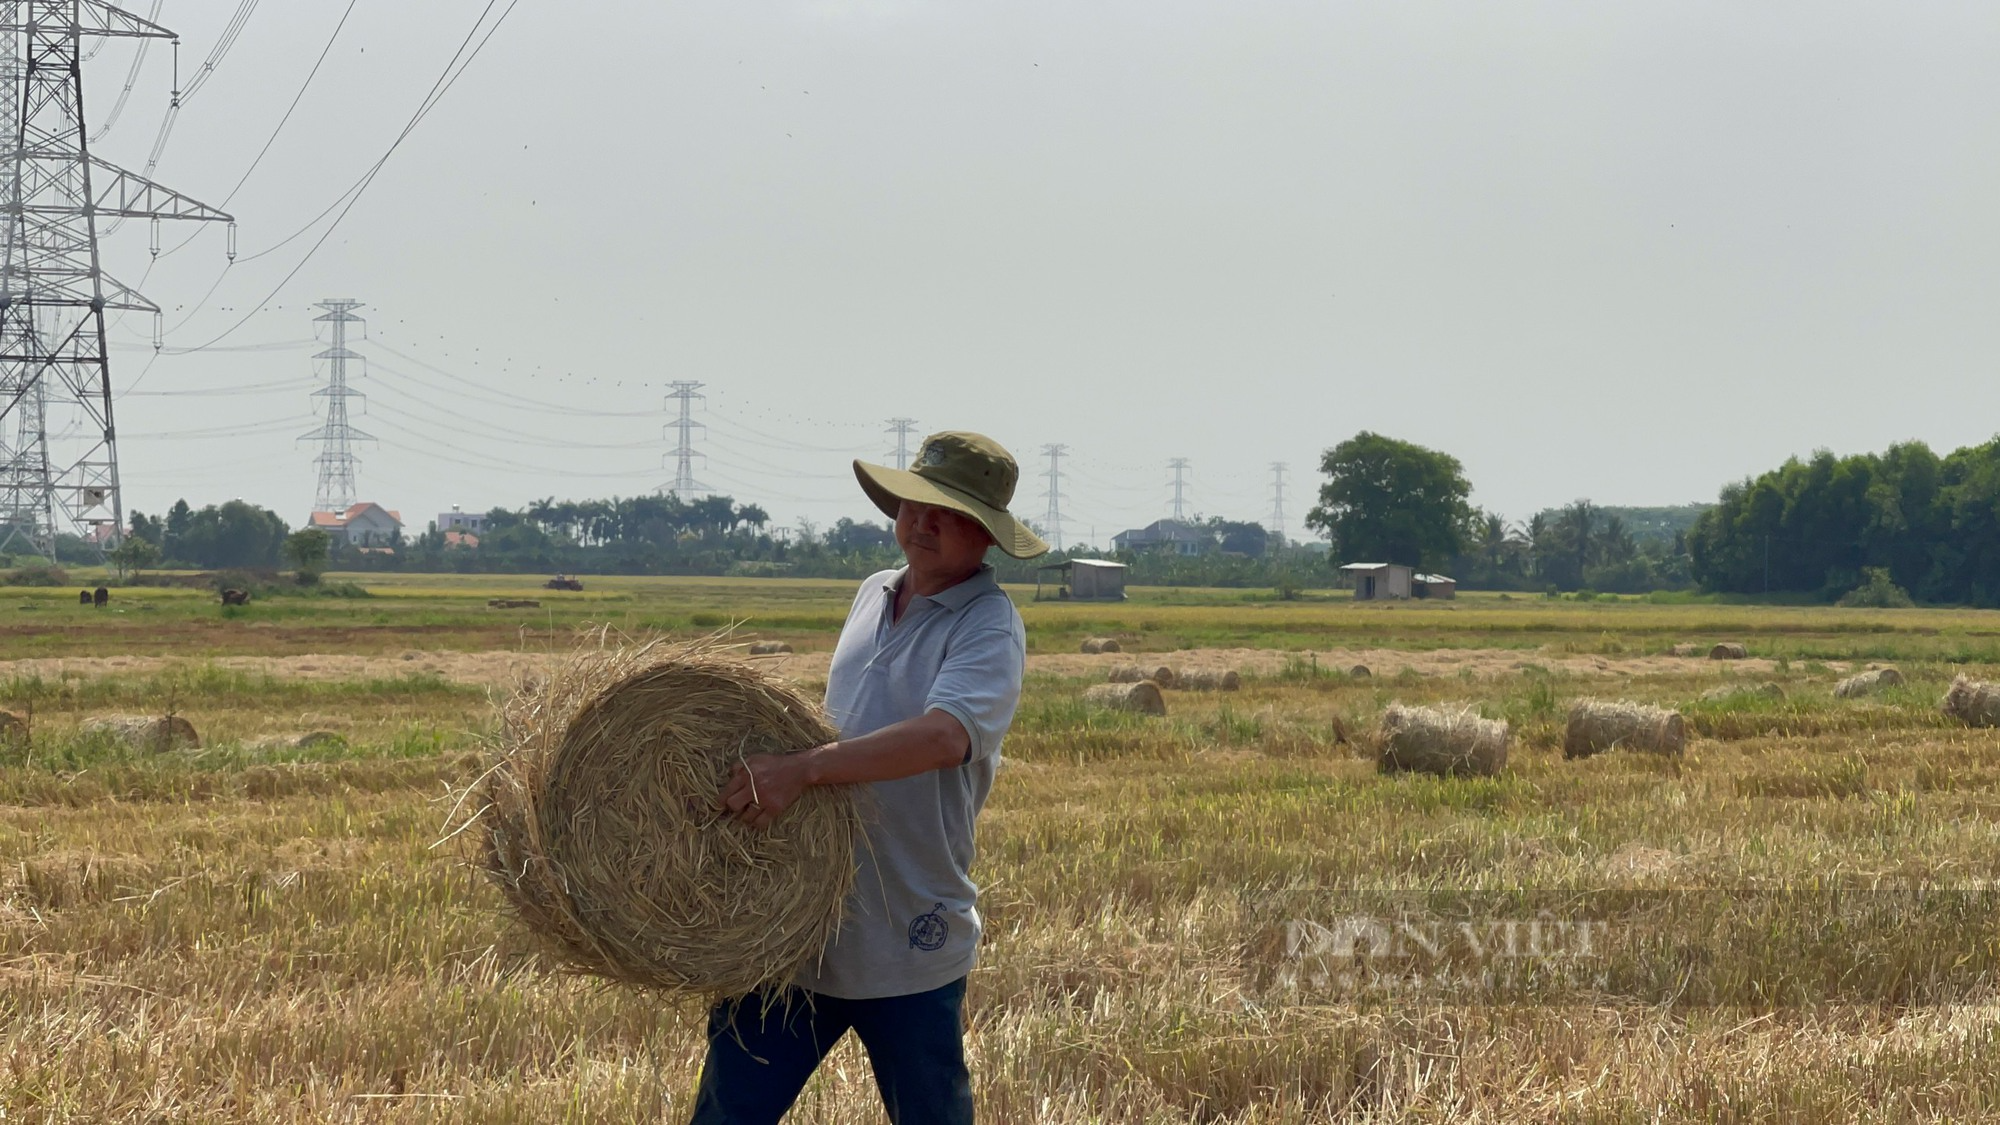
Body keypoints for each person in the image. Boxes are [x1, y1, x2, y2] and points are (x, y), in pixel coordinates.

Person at [693, 431, 1048, 1125]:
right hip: (793, 927)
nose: (923, 521)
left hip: (909, 932)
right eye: (916, 503)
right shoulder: (871, 593)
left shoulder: (988, 625)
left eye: (949, 512)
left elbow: (947, 735)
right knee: (725, 1115)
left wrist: (803, 770)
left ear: (988, 537)